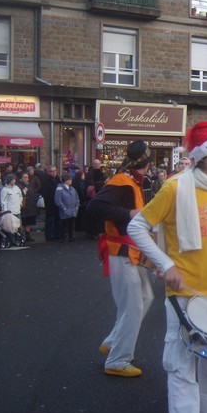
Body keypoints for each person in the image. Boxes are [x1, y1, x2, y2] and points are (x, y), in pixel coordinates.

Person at [127, 121, 207, 413]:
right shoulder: (174, 187)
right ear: (203, 154)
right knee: (182, 371)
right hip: (183, 296)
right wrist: (164, 265)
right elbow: (137, 227)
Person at [86, 141, 155, 377]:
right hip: (121, 251)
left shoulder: (131, 181)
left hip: (130, 251)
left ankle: (113, 341)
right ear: (147, 163)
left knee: (145, 297)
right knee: (133, 306)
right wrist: (129, 213)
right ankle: (117, 358)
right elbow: (95, 207)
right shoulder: (122, 182)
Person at [54, 172, 80, 242]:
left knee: (71, 224)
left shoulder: (72, 189)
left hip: (72, 209)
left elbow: (77, 198)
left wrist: (77, 206)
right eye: (69, 179)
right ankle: (64, 236)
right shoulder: (60, 188)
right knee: (64, 224)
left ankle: (71, 236)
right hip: (65, 210)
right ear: (65, 180)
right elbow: (57, 200)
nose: (71, 180)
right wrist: (63, 207)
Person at [0, 173, 23, 245]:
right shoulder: (5, 190)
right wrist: (5, 211)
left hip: (17, 210)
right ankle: (12, 240)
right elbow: (3, 201)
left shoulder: (17, 188)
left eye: (15, 179)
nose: (14, 181)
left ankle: (18, 239)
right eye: (13, 179)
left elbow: (20, 196)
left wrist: (20, 204)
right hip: (10, 212)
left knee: (18, 226)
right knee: (11, 227)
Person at [40, 165, 62, 241]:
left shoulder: (57, 179)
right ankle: (49, 235)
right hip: (50, 203)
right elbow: (45, 192)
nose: (54, 173)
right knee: (49, 219)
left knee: (57, 219)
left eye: (55, 171)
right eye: (52, 171)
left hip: (57, 202)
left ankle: (57, 234)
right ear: (48, 172)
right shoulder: (45, 180)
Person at [18, 171, 38, 242]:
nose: (26, 179)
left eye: (27, 177)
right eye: (24, 177)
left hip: (30, 206)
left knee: (28, 222)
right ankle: (21, 235)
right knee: (24, 221)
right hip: (24, 206)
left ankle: (28, 235)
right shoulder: (20, 186)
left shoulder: (29, 185)